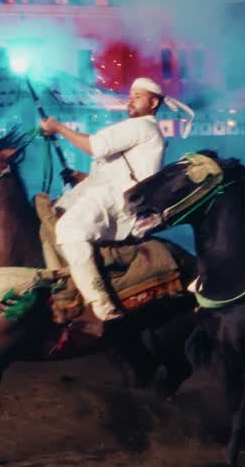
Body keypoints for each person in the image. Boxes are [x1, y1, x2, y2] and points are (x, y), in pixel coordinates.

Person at [41, 77, 169, 322]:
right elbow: (115, 170)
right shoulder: (140, 129)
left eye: (138, 97)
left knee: (68, 230)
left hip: (120, 200)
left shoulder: (142, 126)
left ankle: (103, 308)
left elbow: (97, 146)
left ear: (153, 103)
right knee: (53, 214)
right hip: (108, 193)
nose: (130, 100)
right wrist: (82, 177)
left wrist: (58, 127)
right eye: (130, 96)